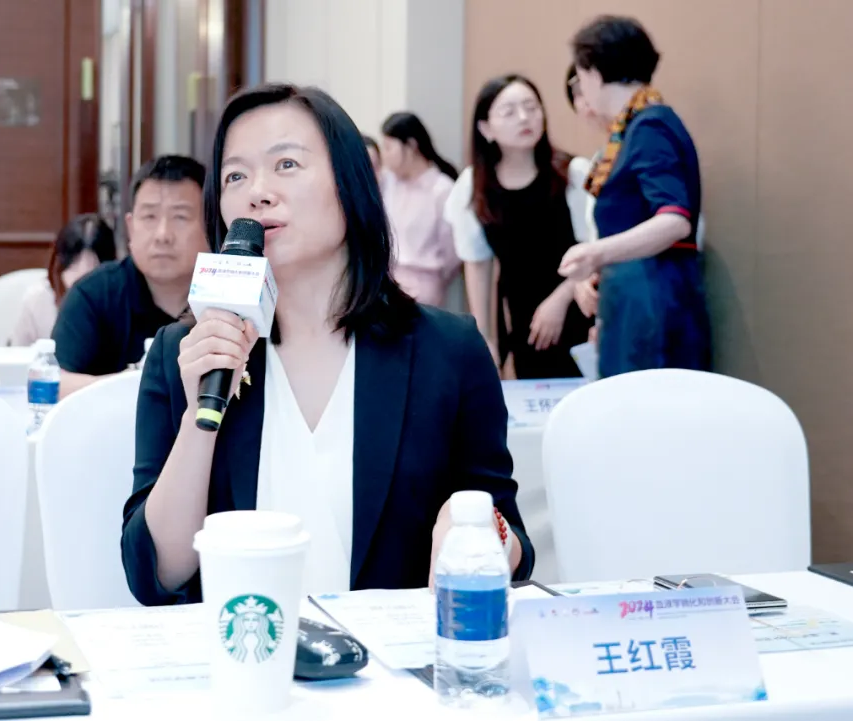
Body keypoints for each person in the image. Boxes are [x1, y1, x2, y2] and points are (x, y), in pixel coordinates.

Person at [121, 83, 533, 606]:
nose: (257, 192)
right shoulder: (185, 351)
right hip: (239, 649)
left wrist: (476, 528)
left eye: (286, 164)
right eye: (235, 176)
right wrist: (198, 423)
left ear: (350, 183)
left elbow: (515, 548)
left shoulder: (448, 351)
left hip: (392, 656)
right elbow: (156, 575)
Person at [559, 16, 711, 377]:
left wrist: (596, 253)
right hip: (639, 297)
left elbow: (674, 220)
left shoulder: (649, 127)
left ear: (594, 73)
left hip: (650, 299)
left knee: (645, 404)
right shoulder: (639, 126)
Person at [445, 75, 592, 379]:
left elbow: (593, 250)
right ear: (485, 128)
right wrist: (485, 337)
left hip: (579, 308)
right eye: (509, 112)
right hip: (523, 320)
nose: (524, 118)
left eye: (531, 107)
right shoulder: (474, 186)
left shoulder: (572, 174)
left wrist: (560, 298)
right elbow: (478, 265)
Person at [51, 155, 207, 398]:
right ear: (131, 227)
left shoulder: (229, 298)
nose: (163, 235)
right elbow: (55, 383)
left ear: (210, 225)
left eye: (180, 217)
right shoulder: (94, 294)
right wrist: (138, 384)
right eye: (149, 217)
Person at [379, 112, 460, 307]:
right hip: (387, 283)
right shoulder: (390, 183)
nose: (384, 156)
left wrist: (433, 280)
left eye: (389, 148)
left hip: (424, 287)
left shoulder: (442, 189)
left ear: (411, 146)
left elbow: (452, 252)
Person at [10, 214, 117, 347]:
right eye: (73, 265)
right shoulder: (37, 299)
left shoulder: (121, 301)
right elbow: (17, 354)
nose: (79, 279)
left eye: (91, 269)